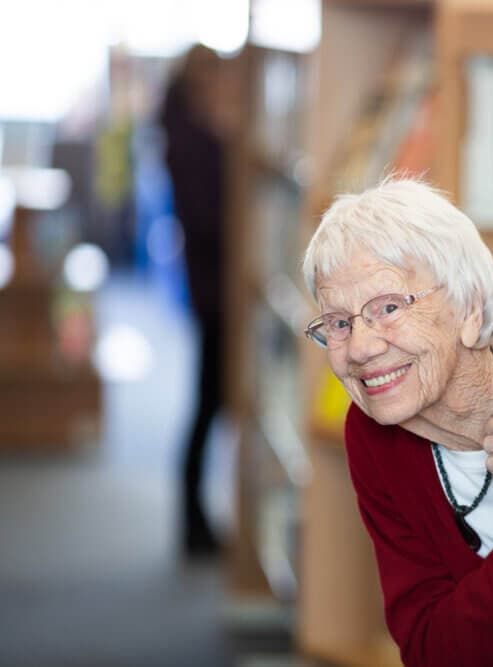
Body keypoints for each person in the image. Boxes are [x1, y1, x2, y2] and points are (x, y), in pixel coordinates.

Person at [301, 178, 493, 667]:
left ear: (469, 309)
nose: (359, 348)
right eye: (339, 322)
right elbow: (430, 650)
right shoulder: (371, 434)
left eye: (388, 308)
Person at [158, 45, 228, 556]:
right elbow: (210, 221)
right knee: (206, 406)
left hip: (209, 287)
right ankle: (192, 525)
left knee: (207, 404)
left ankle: (195, 521)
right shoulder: (193, 142)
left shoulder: (188, 136)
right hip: (213, 291)